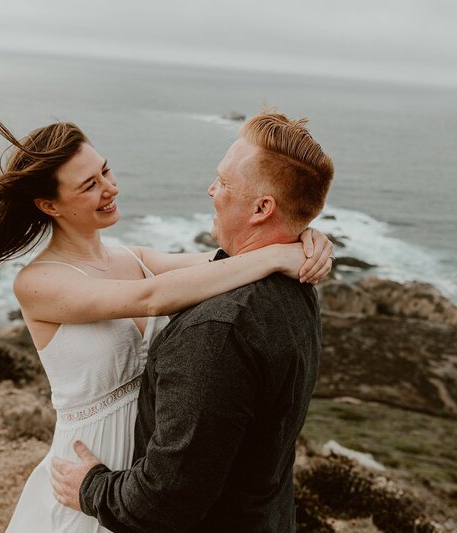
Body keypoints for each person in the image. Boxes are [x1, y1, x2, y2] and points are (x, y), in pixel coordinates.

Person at [0, 100, 334, 533]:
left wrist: (304, 238)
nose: (109, 188)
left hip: (146, 461)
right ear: (50, 205)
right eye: (89, 185)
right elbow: (153, 297)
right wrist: (277, 256)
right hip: (87, 463)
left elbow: (224, 262)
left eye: (106, 170)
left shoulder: (134, 256)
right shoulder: (39, 283)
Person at [50, 110, 334, 532]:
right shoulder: (296, 286)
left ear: (262, 208)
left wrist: (91, 489)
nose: (210, 190)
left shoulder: (217, 333)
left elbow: (164, 502)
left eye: (223, 182)